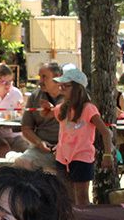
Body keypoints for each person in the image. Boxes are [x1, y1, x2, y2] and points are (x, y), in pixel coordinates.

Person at [41, 67, 114, 206]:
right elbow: (47, 113)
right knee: (67, 197)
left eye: (66, 85)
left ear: (78, 89)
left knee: (82, 198)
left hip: (81, 158)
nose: (61, 88)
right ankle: (73, 219)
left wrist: (107, 155)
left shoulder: (88, 108)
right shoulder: (62, 108)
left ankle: (84, 219)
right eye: (61, 85)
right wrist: (46, 109)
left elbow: (105, 132)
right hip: (62, 158)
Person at [14, 61, 62, 174]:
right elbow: (26, 128)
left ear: (57, 77)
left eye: (44, 77)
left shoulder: (71, 96)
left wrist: (63, 145)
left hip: (69, 150)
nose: (40, 81)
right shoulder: (35, 96)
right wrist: (39, 143)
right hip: (41, 149)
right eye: (40, 77)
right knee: (21, 163)